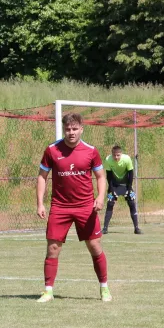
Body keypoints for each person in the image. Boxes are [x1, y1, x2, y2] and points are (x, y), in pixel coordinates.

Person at [36, 113, 112, 303]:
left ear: (81, 129)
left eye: (75, 129)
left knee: (94, 246)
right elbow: (42, 177)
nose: (71, 132)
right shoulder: (52, 150)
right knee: (53, 248)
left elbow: (101, 177)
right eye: (68, 129)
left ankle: (104, 288)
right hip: (60, 207)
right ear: (64, 129)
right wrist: (40, 202)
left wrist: (101, 197)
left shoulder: (91, 151)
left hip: (85, 207)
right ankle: (48, 291)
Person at [102, 145, 143, 235]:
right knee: (110, 203)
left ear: (121, 154)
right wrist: (112, 190)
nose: (116, 157)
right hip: (114, 185)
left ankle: (136, 228)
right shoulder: (108, 160)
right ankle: (105, 228)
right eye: (114, 155)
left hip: (126, 185)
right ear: (112, 154)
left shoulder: (127, 159)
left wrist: (129, 188)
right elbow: (109, 176)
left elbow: (131, 174)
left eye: (118, 155)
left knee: (132, 202)